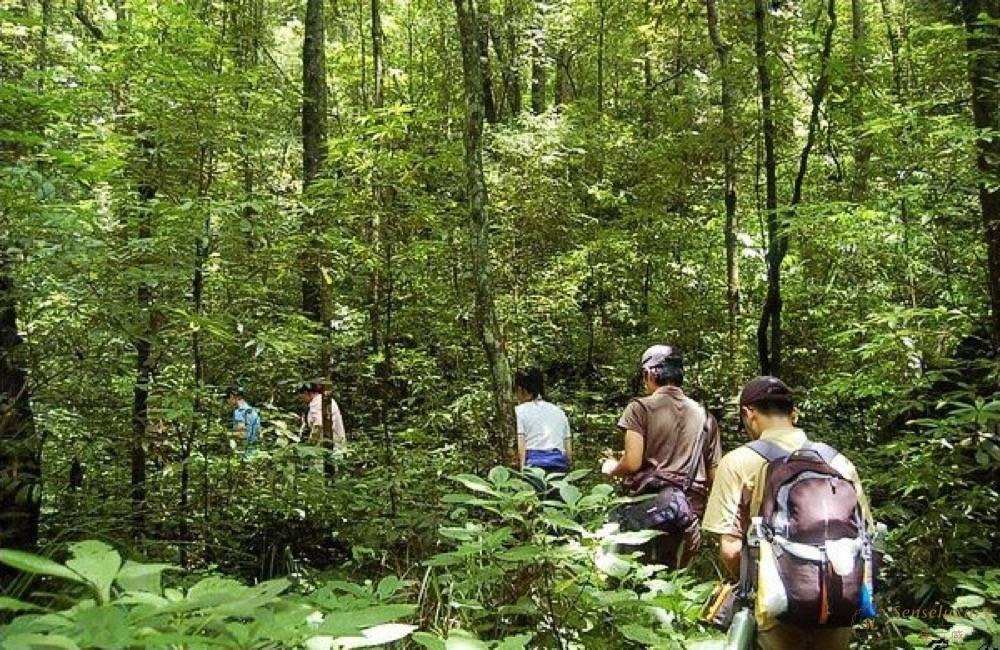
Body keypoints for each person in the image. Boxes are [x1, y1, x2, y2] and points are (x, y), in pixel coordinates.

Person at [701, 376, 873, 650]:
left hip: (775, 608)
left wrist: (754, 587)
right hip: (839, 605)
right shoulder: (839, 463)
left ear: (748, 413)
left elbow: (730, 549)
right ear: (793, 413)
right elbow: (867, 541)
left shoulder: (737, 462)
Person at [601, 345, 721, 568]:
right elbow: (715, 474)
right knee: (676, 581)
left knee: (639, 574)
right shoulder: (706, 417)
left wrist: (611, 468)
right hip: (689, 510)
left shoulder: (639, 408)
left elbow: (633, 462)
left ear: (648, 374)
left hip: (649, 507)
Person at [514, 367, 572, 473]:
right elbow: (568, 450)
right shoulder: (559, 412)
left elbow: (521, 446)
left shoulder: (519, 411)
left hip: (534, 464)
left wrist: (522, 471)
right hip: (558, 464)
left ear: (521, 389)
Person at [299, 383, 346, 448]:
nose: (303, 399)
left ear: (306, 393)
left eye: (303, 395)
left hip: (330, 445)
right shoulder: (324, 400)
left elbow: (318, 425)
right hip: (336, 443)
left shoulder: (317, 403)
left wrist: (311, 443)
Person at [225, 386, 260, 459]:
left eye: (227, 399)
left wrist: (226, 434)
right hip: (255, 452)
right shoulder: (253, 411)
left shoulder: (239, 412)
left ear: (231, 397)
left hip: (244, 453)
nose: (227, 402)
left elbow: (242, 434)